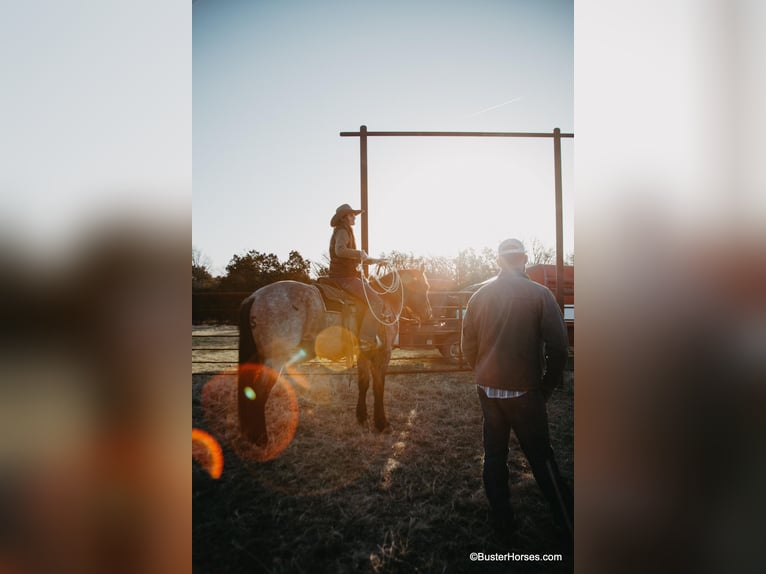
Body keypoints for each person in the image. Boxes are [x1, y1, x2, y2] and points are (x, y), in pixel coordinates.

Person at [461, 238, 573, 540]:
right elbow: (559, 347)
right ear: (523, 259)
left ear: (499, 262)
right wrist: (547, 386)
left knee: (494, 455)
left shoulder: (478, 297)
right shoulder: (540, 294)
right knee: (541, 457)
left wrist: (484, 373)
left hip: (488, 390)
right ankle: (567, 522)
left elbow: (466, 346)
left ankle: (503, 522)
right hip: (525, 391)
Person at [328, 203, 389, 352]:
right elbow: (340, 250)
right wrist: (358, 253)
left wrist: (376, 261)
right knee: (376, 302)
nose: (354, 217)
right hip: (345, 277)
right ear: (344, 218)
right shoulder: (343, 231)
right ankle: (366, 340)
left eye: (354, 214)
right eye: (351, 214)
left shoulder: (344, 231)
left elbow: (357, 257)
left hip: (342, 275)